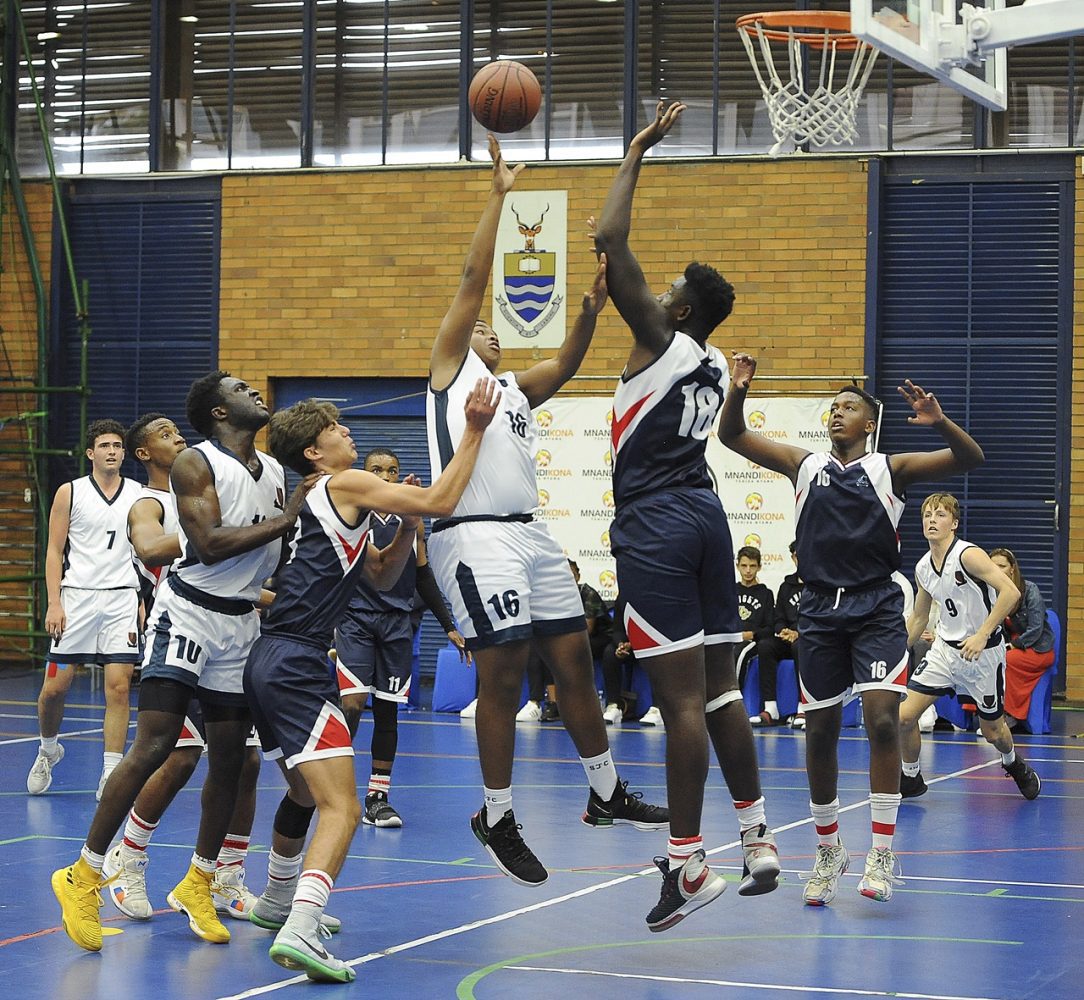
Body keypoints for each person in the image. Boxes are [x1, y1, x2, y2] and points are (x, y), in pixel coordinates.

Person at [426, 134, 667, 891]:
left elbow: (562, 365)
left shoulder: (512, 391)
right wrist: (499, 196)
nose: (490, 327)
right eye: (483, 323)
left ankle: (605, 793)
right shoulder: (447, 371)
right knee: (502, 675)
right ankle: (496, 814)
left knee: (574, 665)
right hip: (472, 538)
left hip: (530, 536)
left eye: (496, 327)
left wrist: (592, 311)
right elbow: (473, 276)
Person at [593, 99, 779, 932]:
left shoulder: (663, 341)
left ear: (678, 311)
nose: (655, 292)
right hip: (706, 517)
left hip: (660, 522)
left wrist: (635, 152)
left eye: (666, 292)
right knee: (719, 694)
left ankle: (687, 864)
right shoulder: (705, 364)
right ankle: (758, 835)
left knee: (678, 705)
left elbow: (608, 238)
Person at [243, 380, 498, 983]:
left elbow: (382, 575)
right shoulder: (342, 484)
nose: (349, 433)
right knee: (343, 808)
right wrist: (475, 430)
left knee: (306, 792)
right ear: (314, 450)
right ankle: (302, 928)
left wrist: (405, 522)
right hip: (297, 663)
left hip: (271, 661)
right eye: (337, 428)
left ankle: (278, 899)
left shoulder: (317, 498)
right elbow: (442, 500)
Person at [52, 371, 312, 953]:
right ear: (219, 412)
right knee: (158, 744)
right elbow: (210, 543)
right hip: (187, 614)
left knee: (231, 760)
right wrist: (291, 514)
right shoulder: (197, 464)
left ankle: (201, 879)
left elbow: (268, 555)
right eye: (242, 388)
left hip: (241, 623)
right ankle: (86, 872)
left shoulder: (271, 471)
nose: (254, 392)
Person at [720, 359, 985, 906]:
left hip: (876, 608)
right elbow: (732, 434)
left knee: (883, 721)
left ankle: (883, 852)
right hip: (817, 610)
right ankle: (827, 849)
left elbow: (970, 457)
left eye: (849, 407)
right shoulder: (805, 464)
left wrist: (938, 420)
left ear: (870, 422)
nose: (836, 413)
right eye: (833, 407)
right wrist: (737, 390)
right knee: (819, 732)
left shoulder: (892, 468)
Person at [101, 412, 265, 924]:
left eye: (179, 431)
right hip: (178, 633)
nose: (180, 439)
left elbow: (235, 574)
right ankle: (127, 856)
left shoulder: (212, 493)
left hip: (230, 635)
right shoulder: (150, 504)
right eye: (165, 435)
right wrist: (215, 534)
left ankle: (225, 877)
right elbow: (151, 549)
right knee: (177, 757)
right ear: (145, 453)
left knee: (246, 763)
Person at [333, 445, 471, 829]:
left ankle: (377, 799)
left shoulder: (412, 519)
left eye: (392, 470)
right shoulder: (351, 514)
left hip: (398, 624)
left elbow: (424, 576)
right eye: (377, 469)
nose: (385, 476)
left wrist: (449, 624)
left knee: (389, 709)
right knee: (354, 703)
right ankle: (336, 793)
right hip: (356, 619)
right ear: (364, 472)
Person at [28, 419, 142, 801]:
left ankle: (111, 771)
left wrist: (142, 598)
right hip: (75, 598)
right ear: (91, 453)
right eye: (105, 445)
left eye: (118, 445)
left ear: (125, 453)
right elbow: (54, 551)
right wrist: (54, 602)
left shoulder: (140, 495)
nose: (112, 450)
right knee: (54, 689)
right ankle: (48, 749)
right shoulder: (70, 492)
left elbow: (146, 553)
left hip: (121, 598)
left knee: (120, 688)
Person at [897, 494, 1040, 800]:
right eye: (927, 515)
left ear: (955, 523)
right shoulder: (923, 566)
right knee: (904, 716)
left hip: (983, 654)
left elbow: (1010, 592)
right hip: (945, 653)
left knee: (993, 733)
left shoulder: (968, 555)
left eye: (940, 515)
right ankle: (911, 778)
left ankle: (1013, 763)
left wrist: (982, 633)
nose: (932, 520)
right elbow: (920, 616)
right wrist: (894, 652)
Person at [521, 560, 612, 723]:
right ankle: (546, 703)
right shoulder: (553, 597)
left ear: (578, 576)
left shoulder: (588, 593)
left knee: (559, 649)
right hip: (569, 636)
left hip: (599, 638)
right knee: (544, 649)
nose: (568, 578)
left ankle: (581, 704)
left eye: (572, 574)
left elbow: (587, 629)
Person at [989, 547, 1056, 729]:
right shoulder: (990, 592)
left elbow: (1036, 628)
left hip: (1037, 648)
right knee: (987, 659)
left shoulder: (1030, 589)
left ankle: (1009, 715)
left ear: (1012, 568)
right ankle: (986, 714)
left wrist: (1014, 645)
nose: (997, 570)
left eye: (1002, 566)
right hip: (1010, 645)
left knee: (1006, 660)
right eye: (993, 566)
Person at [751, 541, 801, 727]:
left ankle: (802, 707)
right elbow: (778, 616)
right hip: (787, 638)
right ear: (793, 558)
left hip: (807, 639)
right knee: (765, 646)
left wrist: (799, 633)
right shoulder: (786, 586)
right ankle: (770, 708)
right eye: (797, 555)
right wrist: (782, 631)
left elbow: (821, 618)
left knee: (799, 647)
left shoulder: (819, 585)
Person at [735, 546, 775, 720]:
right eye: (744, 566)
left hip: (752, 641)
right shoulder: (730, 590)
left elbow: (770, 628)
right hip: (731, 637)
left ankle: (732, 702)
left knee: (739, 653)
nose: (748, 570)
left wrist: (751, 634)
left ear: (759, 567)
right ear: (737, 566)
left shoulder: (766, 594)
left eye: (752, 566)